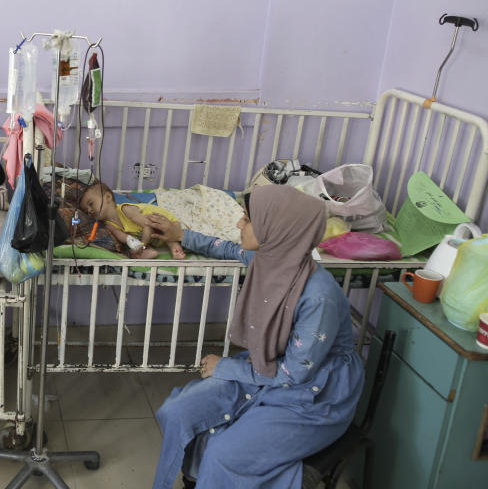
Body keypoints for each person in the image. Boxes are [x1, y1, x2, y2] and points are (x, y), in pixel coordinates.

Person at [148, 185, 365, 488]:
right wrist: (180, 234)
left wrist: (224, 367)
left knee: (224, 454)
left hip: (313, 393)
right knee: (177, 412)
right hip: (268, 367)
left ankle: (295, 477)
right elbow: (226, 248)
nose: (239, 224)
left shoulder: (319, 297)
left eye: (247, 219)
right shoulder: (270, 260)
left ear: (277, 230)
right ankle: (198, 480)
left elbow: (293, 374)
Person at [78, 181, 186, 259]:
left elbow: (147, 225)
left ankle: (176, 250)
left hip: (161, 223)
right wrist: (136, 247)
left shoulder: (126, 210)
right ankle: (149, 251)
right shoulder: (108, 225)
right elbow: (125, 238)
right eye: (86, 211)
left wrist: (143, 244)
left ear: (108, 197)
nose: (89, 210)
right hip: (152, 237)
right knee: (134, 250)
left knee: (170, 237)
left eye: (91, 204)